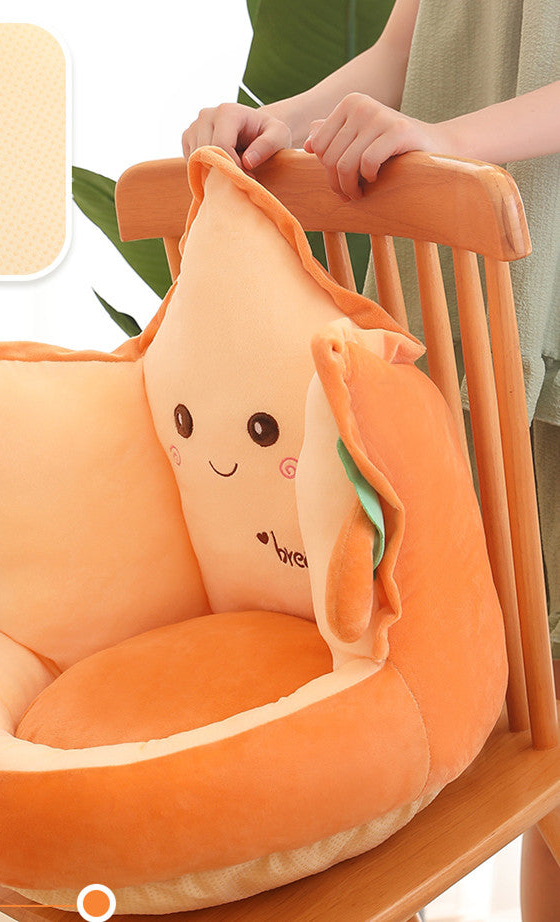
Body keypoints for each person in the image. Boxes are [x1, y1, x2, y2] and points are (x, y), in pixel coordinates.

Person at [183, 2, 560, 920]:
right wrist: (282, 121)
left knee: (546, 699)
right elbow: (401, 54)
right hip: (476, 318)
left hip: (531, 295)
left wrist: (450, 142)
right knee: (530, 698)